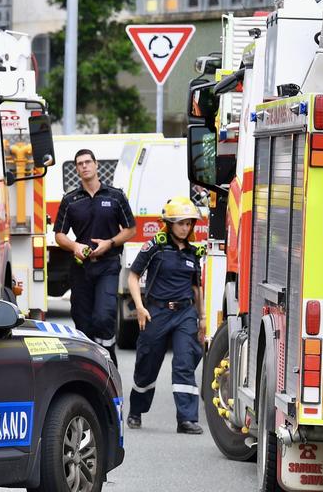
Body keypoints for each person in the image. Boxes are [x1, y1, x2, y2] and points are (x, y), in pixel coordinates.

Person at [126, 196, 206, 434]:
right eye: (181, 223)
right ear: (170, 224)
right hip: (156, 312)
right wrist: (140, 307)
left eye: (189, 223)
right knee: (147, 365)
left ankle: (186, 419)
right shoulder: (156, 247)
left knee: (184, 363)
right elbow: (133, 276)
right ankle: (136, 410)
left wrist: (201, 318)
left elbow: (196, 288)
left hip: (185, 313)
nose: (185, 227)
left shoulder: (193, 252)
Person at [53, 148, 135, 364]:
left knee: (104, 316)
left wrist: (110, 243)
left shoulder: (115, 196)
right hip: (81, 268)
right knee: (83, 322)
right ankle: (88, 367)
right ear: (77, 169)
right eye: (80, 164)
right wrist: (75, 246)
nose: (84, 166)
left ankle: (109, 360)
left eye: (88, 162)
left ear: (96, 164)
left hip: (108, 265)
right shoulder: (70, 200)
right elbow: (59, 235)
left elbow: (130, 229)